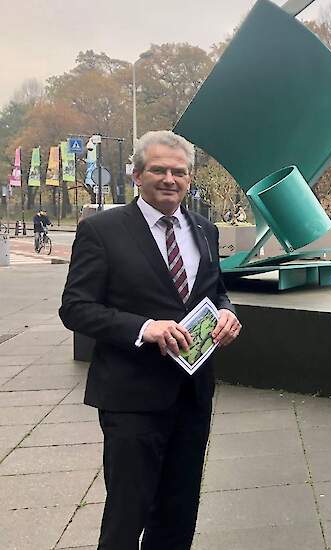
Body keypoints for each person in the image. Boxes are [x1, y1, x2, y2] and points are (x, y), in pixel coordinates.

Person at [60, 130, 242, 550]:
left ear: (190, 180)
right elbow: (75, 308)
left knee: (179, 512)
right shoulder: (102, 230)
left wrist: (229, 312)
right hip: (131, 397)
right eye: (158, 169)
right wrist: (145, 328)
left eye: (179, 172)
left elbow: (214, 292)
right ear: (137, 175)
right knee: (128, 512)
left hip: (192, 394)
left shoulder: (204, 229)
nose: (169, 179)